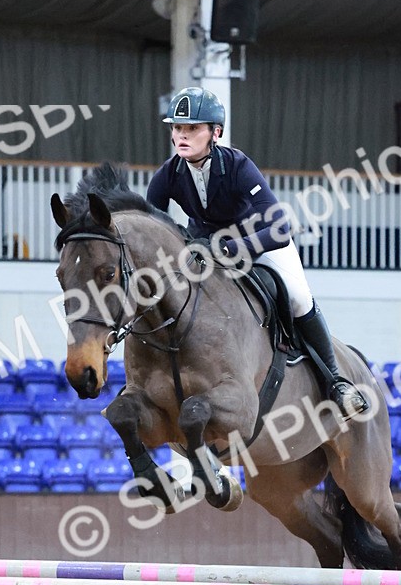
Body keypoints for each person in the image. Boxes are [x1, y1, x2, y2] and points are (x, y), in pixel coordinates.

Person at [146, 86, 366, 417]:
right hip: (205, 249)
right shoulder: (167, 175)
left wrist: (227, 247)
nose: (181, 136)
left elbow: (279, 228)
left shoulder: (237, 166)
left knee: (297, 296)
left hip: (258, 243)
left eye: (192, 128)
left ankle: (335, 382)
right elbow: (153, 231)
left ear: (215, 133)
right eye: (177, 128)